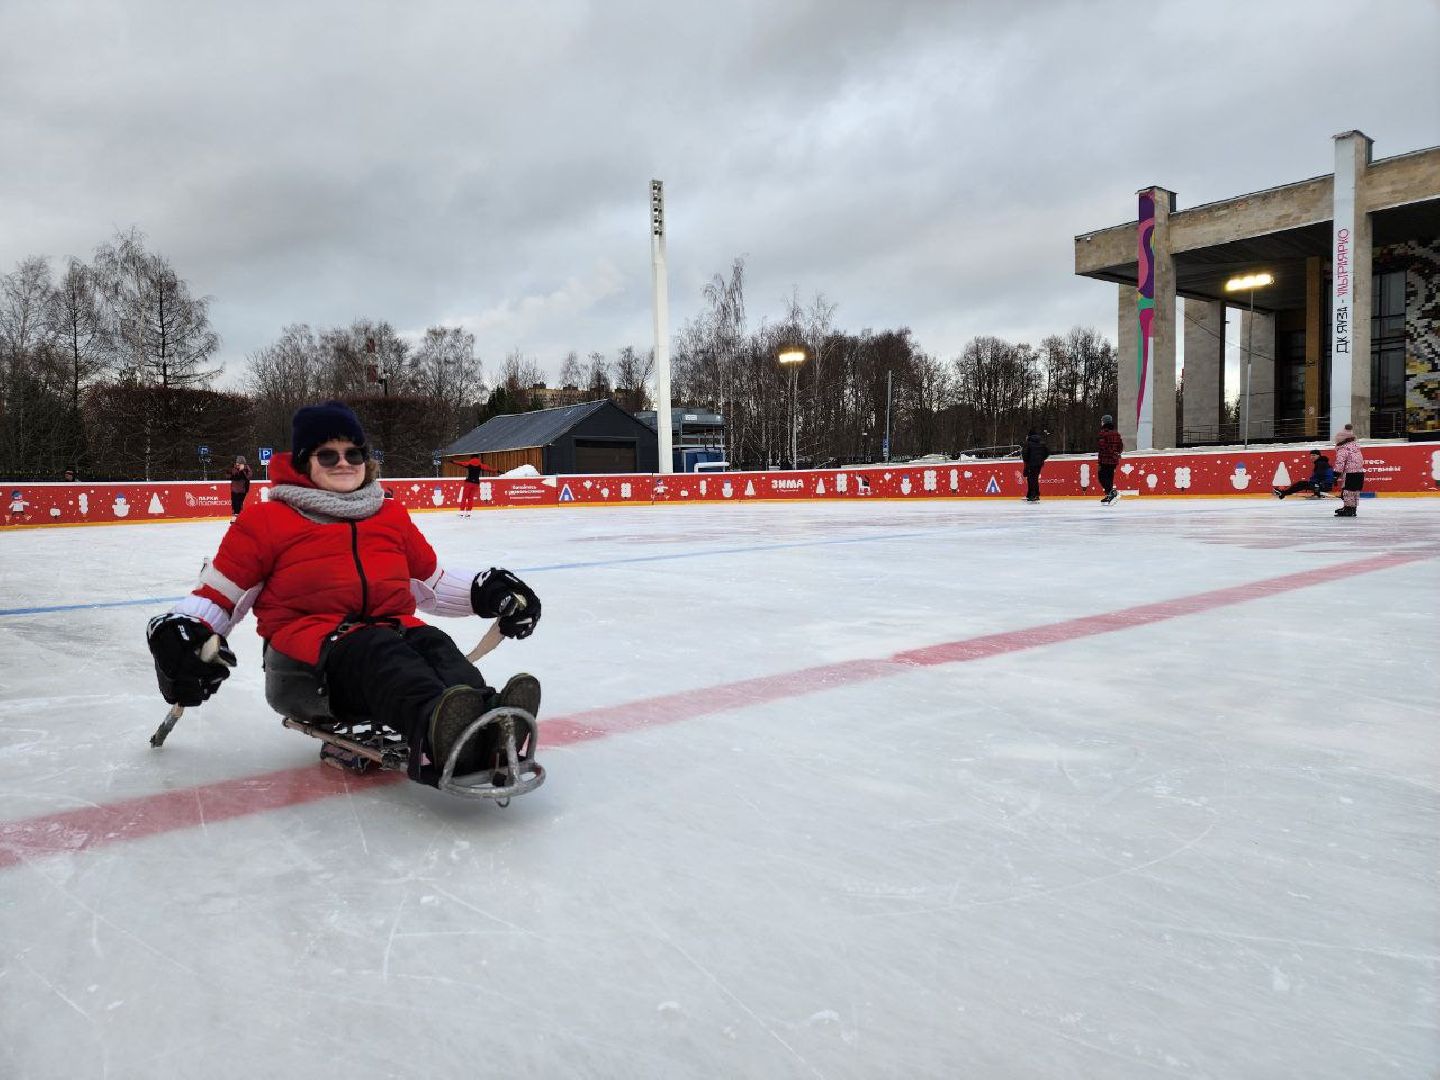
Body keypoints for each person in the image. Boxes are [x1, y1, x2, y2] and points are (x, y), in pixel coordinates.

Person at [144, 401, 543, 788]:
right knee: (379, 650)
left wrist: (488, 592)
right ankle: (440, 730)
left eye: (353, 453)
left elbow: (431, 583)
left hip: (390, 634)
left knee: (432, 643)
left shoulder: (389, 514)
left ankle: (488, 723)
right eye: (327, 455)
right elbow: (219, 596)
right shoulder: (267, 520)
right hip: (307, 664)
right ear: (304, 462)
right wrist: (181, 633)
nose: (344, 463)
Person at [1333, 425, 1365, 517]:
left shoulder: (1343, 449)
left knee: (1347, 492)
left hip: (1351, 473)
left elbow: (1340, 463)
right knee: (1354, 492)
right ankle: (1352, 509)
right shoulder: (1356, 448)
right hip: (1360, 473)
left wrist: (1336, 474)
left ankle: (1348, 509)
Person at [1097, 415, 1123, 504]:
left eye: (1102, 421)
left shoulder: (1103, 433)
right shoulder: (1116, 433)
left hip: (1105, 459)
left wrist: (1111, 453)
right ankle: (1109, 495)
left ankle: (1112, 492)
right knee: (1109, 477)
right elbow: (1120, 445)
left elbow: (1103, 447)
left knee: (1102, 477)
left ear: (1104, 422)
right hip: (1114, 459)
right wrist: (1117, 453)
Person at [1021, 429, 1049, 502]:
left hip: (1031, 464)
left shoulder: (1028, 443)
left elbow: (1025, 454)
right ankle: (1034, 494)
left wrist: (1027, 461)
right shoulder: (1041, 443)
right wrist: (1041, 459)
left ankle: (1033, 495)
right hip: (1039, 464)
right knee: (1034, 478)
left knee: (1031, 479)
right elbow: (1047, 452)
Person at [227, 456, 252, 520]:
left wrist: (243, 470)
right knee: (234, 503)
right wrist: (236, 473)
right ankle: (235, 516)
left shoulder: (246, 468)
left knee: (239, 502)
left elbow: (249, 476)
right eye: (238, 463)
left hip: (243, 489)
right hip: (234, 489)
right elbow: (229, 475)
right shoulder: (233, 468)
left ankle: (238, 516)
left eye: (240, 463)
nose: (238, 464)